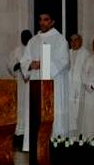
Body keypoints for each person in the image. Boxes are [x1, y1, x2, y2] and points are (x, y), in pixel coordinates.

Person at [20, 12, 69, 143]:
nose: (42, 22)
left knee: (52, 113)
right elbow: (24, 61)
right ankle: (34, 144)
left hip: (53, 84)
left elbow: (64, 61)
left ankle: (54, 143)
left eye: (46, 20)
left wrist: (44, 64)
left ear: (52, 22)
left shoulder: (60, 40)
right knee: (35, 114)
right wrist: (30, 64)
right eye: (40, 20)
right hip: (36, 82)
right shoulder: (33, 40)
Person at [7, 30, 33, 147]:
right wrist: (17, 66)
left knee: (29, 107)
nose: (25, 38)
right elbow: (10, 65)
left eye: (27, 36)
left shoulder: (34, 49)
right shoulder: (16, 51)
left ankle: (29, 133)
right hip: (20, 82)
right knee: (20, 106)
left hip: (31, 82)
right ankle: (19, 134)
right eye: (23, 36)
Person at [68, 34, 89, 138]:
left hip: (79, 86)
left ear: (81, 41)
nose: (73, 42)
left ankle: (77, 136)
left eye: (76, 40)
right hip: (68, 86)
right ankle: (69, 136)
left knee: (77, 111)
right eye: (71, 40)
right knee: (69, 112)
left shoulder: (86, 54)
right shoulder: (67, 53)